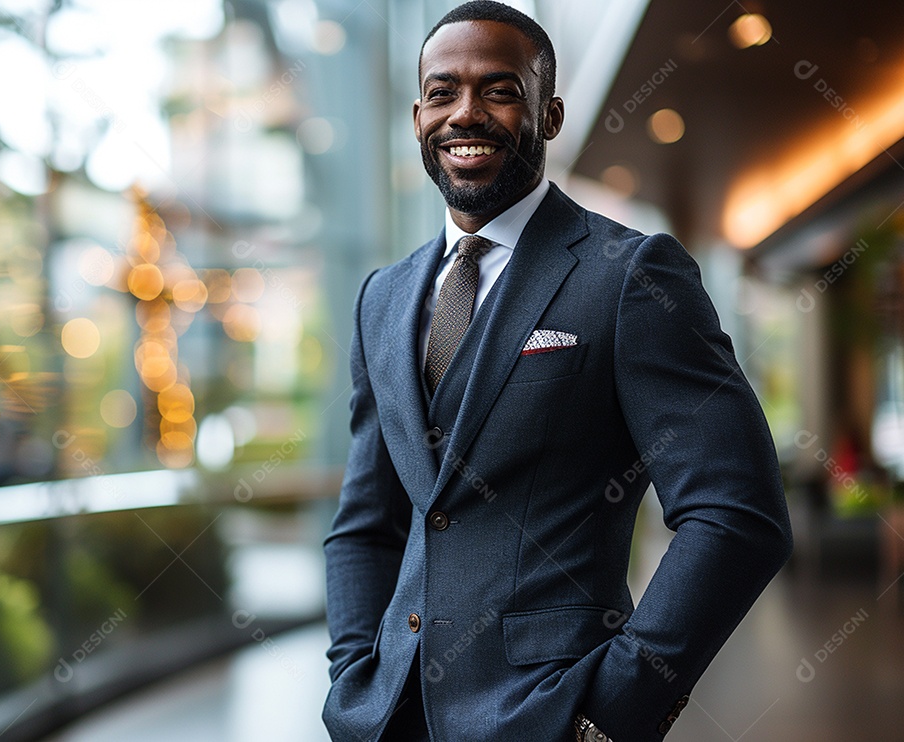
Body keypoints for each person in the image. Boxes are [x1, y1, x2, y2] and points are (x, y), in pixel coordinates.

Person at [321, 2, 792, 740]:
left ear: (550, 113)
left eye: (500, 90)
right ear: (417, 116)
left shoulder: (630, 275)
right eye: (442, 93)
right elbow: (364, 525)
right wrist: (354, 675)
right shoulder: (381, 297)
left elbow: (738, 514)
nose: (465, 113)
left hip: (550, 713)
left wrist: (613, 708)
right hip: (389, 718)